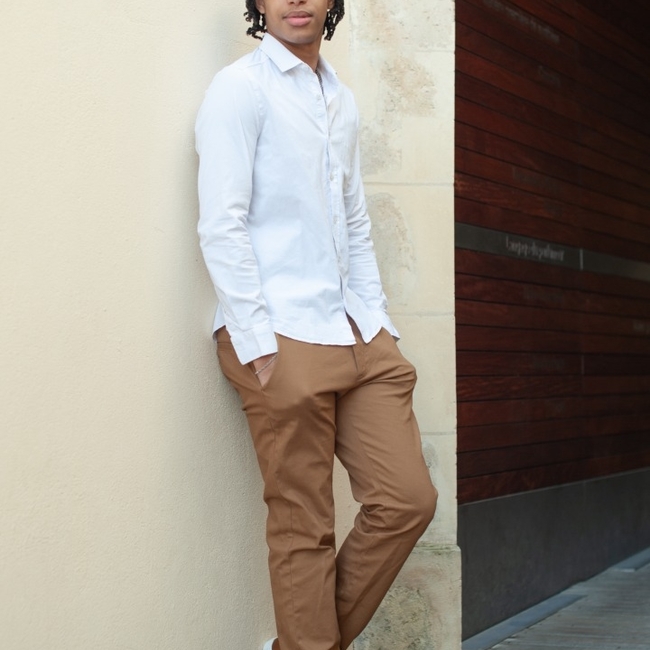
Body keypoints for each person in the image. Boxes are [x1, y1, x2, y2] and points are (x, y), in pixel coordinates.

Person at [195, 1, 438, 648]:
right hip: (279, 332)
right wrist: (258, 344)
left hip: (355, 331)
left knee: (407, 500)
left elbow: (353, 219)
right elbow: (221, 222)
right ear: (258, 4)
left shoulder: (341, 99)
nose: (296, 0)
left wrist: (378, 321)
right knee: (304, 526)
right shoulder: (239, 90)